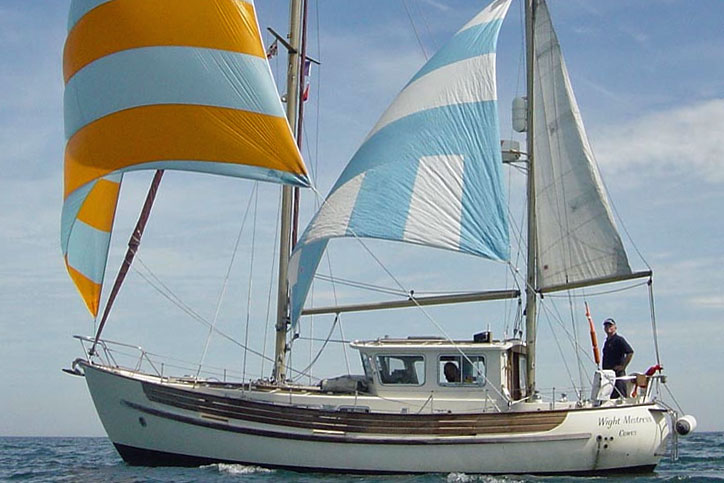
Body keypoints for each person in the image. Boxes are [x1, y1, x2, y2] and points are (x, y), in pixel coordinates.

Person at [601, 318, 634, 398]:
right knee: (609, 396)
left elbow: (630, 352)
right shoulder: (607, 342)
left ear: (615, 327)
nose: (608, 327)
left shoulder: (619, 340)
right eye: (606, 326)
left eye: (610, 325)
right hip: (608, 375)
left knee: (620, 395)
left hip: (617, 374)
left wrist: (623, 366)